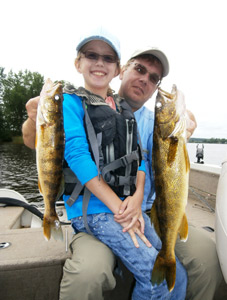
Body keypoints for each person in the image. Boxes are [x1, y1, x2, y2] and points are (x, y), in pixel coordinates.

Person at [22, 42, 223, 300]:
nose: (145, 79)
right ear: (123, 69)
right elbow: (40, 144)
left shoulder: (152, 121)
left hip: (151, 212)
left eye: (154, 78)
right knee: (88, 274)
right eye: (139, 69)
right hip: (97, 211)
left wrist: (183, 125)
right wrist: (34, 119)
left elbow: (151, 157)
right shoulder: (80, 106)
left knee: (207, 258)